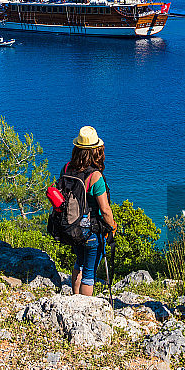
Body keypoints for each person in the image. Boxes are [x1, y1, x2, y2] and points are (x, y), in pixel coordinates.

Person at [65, 126, 117, 296]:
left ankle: (74, 299)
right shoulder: (95, 177)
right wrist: (113, 227)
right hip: (91, 231)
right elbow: (105, 210)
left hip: (72, 227)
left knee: (78, 263)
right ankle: (83, 309)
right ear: (96, 151)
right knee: (89, 273)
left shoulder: (67, 168)